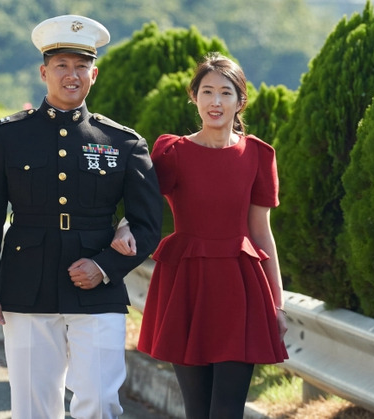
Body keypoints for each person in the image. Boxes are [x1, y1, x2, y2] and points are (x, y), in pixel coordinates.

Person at [0, 15, 162, 419]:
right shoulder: (8, 136)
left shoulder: (123, 142)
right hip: (25, 283)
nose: (72, 75)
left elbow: (147, 224)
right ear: (44, 72)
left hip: (97, 287)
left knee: (100, 399)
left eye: (81, 66)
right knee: (34, 404)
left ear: (95, 73)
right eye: (62, 65)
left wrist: (106, 267)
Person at [111, 52, 288, 419]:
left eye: (226, 93)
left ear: (241, 100)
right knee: (197, 409)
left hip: (242, 288)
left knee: (227, 410)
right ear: (194, 97)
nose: (216, 102)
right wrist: (125, 225)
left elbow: (261, 233)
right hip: (187, 285)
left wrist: (277, 303)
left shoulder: (258, 155)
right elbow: (143, 205)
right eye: (207, 92)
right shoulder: (173, 152)